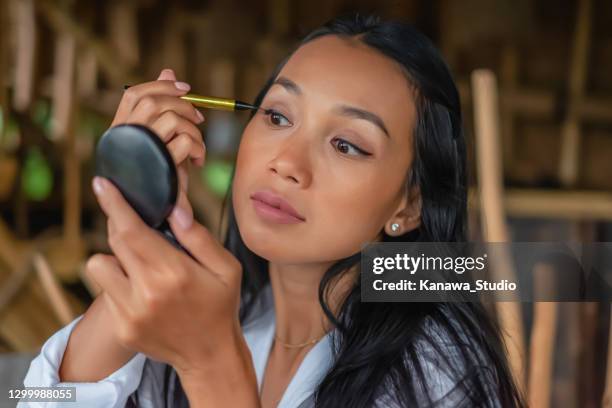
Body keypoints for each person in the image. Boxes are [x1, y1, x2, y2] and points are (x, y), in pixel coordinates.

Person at [21, 13, 525, 408]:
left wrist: (211, 364)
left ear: (408, 205)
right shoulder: (223, 318)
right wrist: (141, 235)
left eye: (347, 145)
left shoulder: (440, 373)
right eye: (278, 115)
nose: (287, 163)